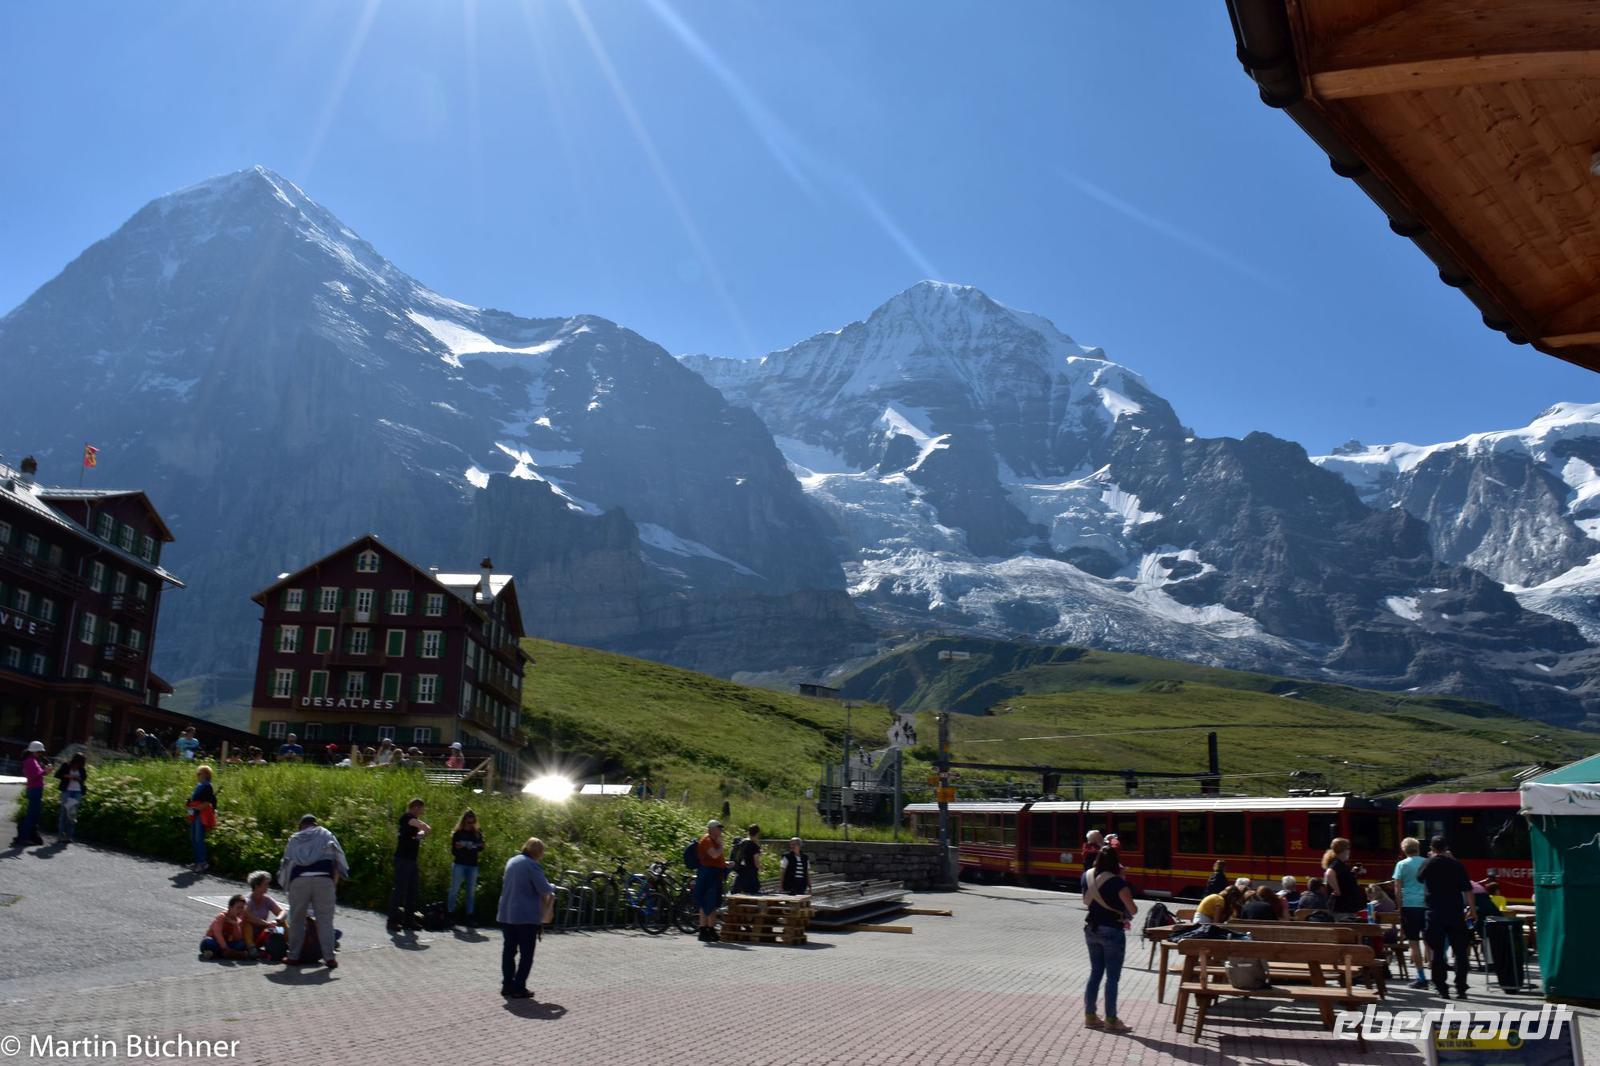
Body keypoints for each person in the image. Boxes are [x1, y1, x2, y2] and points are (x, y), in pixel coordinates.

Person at [279, 813, 349, 968]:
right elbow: (338, 860)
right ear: (315, 824)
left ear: (301, 826)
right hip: (324, 880)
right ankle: (329, 957)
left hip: (300, 880)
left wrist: (287, 886)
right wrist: (335, 882)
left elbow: (287, 864)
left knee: (296, 919)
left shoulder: (295, 838)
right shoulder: (327, 834)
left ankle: (293, 956)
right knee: (325, 920)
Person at [1081, 846, 1136, 1033]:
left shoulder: (1086, 877)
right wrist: (1122, 880)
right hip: (1112, 930)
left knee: (1095, 972)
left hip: (1091, 929)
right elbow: (1133, 909)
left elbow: (1085, 901)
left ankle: (1090, 1016)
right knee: (1112, 977)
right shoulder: (1117, 883)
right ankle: (1111, 1019)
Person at [496, 837, 554, 999]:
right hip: (525, 915)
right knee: (526, 953)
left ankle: (507, 985)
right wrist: (553, 887)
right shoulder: (532, 865)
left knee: (509, 951)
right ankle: (519, 986)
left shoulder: (512, 861)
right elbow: (544, 888)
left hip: (507, 913)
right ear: (538, 853)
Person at [1417, 836, 1473, 1000]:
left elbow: (1419, 878)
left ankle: (1442, 988)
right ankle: (1461, 987)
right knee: (1460, 952)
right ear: (1446, 847)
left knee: (1438, 952)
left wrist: (1431, 859)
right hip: (1455, 912)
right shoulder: (1456, 864)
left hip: (1435, 912)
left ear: (1432, 848)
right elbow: (1468, 889)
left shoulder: (1428, 863)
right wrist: (1472, 910)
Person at [1391, 836, 1430, 988]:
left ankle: (1421, 977)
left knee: (1413, 943)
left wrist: (1399, 907)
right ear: (1418, 848)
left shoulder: (1401, 865)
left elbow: (1397, 888)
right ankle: (1435, 974)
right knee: (1429, 942)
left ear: (1404, 850)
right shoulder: (1426, 862)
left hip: (1409, 906)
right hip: (1426, 905)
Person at [388, 797, 430, 932]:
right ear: (415, 807)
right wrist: (422, 831)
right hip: (402, 859)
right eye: (420, 809)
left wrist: (420, 834)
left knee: (412, 889)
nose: (421, 812)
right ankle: (392, 920)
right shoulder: (406, 818)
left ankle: (408, 920)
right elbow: (424, 827)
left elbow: (422, 832)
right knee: (400, 890)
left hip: (412, 859)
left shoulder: (413, 823)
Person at [694, 819, 729, 942]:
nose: (720, 830)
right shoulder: (707, 840)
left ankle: (710, 928)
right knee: (706, 901)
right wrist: (721, 846)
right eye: (718, 828)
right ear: (712, 829)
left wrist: (726, 864)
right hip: (707, 875)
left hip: (715, 874)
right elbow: (714, 855)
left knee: (713, 903)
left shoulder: (714, 841)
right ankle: (704, 929)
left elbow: (717, 858)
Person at [449, 808, 486, 922]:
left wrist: (475, 846)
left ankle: (469, 915)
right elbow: (453, 851)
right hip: (459, 863)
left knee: (470, 892)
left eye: (473, 822)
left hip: (472, 865)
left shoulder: (477, 832)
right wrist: (460, 847)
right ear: (464, 821)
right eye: (468, 822)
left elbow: (481, 847)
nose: (471, 825)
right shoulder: (458, 833)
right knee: (454, 889)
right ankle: (450, 914)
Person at [11, 741, 48, 847]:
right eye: (40, 752)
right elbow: (34, 776)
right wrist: (45, 771)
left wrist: (44, 771)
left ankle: (27, 836)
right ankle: (24, 837)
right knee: (32, 815)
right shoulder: (30, 761)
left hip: (35, 789)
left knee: (33, 814)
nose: (41, 754)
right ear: (35, 751)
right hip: (35, 789)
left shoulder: (32, 760)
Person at [243, 870, 286, 960]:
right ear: (257, 886)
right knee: (247, 924)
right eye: (265, 884)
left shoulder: (267, 899)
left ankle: (290, 945)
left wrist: (277, 920)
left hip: (261, 934)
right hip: (246, 936)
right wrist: (267, 923)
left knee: (282, 923)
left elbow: (282, 912)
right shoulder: (247, 900)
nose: (268, 886)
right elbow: (249, 917)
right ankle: (251, 949)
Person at [200, 895, 255, 960]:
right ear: (230, 907)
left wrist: (235, 925)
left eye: (242, 908)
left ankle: (216, 954)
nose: (240, 910)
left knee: (242, 943)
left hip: (228, 944)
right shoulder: (221, 917)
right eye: (238, 908)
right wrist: (226, 948)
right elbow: (218, 935)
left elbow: (238, 938)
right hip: (216, 942)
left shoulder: (237, 920)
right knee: (206, 941)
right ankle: (231, 954)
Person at [185, 765, 216, 872]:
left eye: (199, 773)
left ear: (206, 775)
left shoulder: (207, 786)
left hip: (201, 815)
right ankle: (197, 862)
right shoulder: (200, 785)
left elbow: (207, 802)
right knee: (194, 838)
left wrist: (195, 808)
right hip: (195, 813)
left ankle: (202, 863)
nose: (197, 775)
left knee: (199, 839)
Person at [1323, 837, 1365, 914]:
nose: (1349, 851)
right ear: (1343, 850)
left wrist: (1353, 872)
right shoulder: (1337, 863)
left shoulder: (1341, 864)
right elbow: (1329, 873)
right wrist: (1337, 890)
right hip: (1342, 908)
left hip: (1346, 908)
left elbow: (1342, 878)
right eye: (1348, 848)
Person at [54, 751, 87, 842]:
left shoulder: (82, 769)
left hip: (77, 792)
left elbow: (84, 778)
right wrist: (68, 776)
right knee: (64, 813)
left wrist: (78, 778)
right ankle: (61, 835)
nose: (80, 764)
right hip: (67, 791)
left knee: (72, 815)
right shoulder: (66, 765)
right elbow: (57, 775)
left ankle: (69, 836)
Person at [731, 823, 763, 896]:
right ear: (757, 833)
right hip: (751, 876)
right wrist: (761, 867)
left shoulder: (743, 842)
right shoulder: (754, 846)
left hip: (740, 874)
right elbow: (756, 861)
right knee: (753, 895)